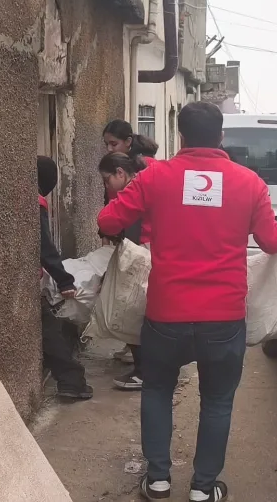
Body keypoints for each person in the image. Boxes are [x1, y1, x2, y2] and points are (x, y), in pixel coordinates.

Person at [97, 102, 277, 502]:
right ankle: (203, 488)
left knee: (157, 391)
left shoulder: (155, 178)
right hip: (224, 317)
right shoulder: (249, 183)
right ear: (220, 136)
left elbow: (108, 223)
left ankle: (159, 480)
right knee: (217, 400)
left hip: (167, 314)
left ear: (180, 135)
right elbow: (272, 241)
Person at [101, 120, 159, 369]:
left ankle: (144, 363)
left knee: (136, 304)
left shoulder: (142, 175)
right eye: (106, 144)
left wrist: (108, 228)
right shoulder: (145, 168)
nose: (109, 149)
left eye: (113, 143)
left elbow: (113, 218)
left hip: (142, 244)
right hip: (147, 243)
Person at [38, 156, 93, 401]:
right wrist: (64, 280)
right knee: (50, 331)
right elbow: (45, 247)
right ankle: (71, 381)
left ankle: (71, 381)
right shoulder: (37, 204)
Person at [98, 152, 151, 391]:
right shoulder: (151, 177)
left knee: (134, 311)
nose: (107, 186)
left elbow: (107, 221)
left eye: (107, 180)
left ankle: (145, 371)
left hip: (144, 255)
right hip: (155, 253)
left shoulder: (137, 187)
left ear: (120, 173)